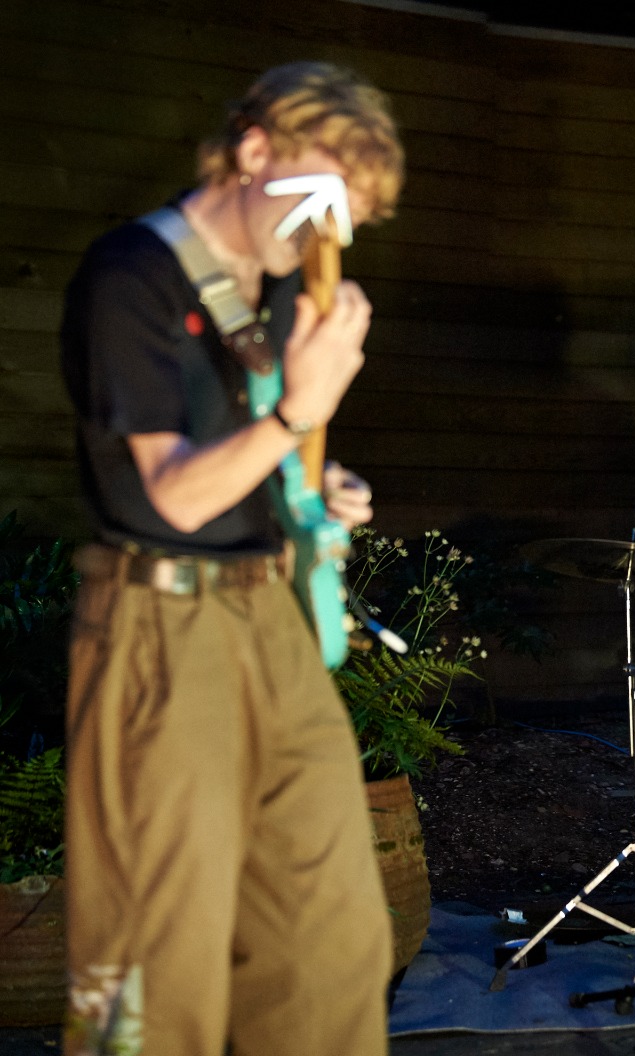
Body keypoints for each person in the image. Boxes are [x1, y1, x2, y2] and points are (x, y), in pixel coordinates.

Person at [58, 62, 404, 1056]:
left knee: (329, 938)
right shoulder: (133, 276)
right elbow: (172, 491)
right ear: (253, 151)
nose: (325, 234)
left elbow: (246, 467)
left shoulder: (277, 289)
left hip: (271, 622)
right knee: (160, 959)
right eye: (318, 199)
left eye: (348, 214)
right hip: (161, 629)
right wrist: (300, 404)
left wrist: (313, 489)